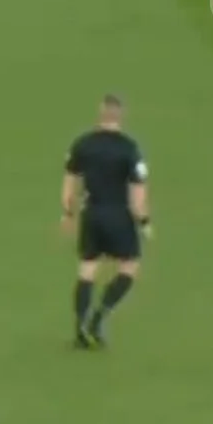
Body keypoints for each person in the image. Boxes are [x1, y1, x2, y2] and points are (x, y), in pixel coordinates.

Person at [63, 94, 147, 348]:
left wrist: (68, 214)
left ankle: (80, 327)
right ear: (121, 115)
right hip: (119, 214)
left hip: (92, 213)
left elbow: (69, 183)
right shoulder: (129, 148)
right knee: (129, 266)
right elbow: (138, 191)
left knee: (87, 268)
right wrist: (144, 220)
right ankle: (99, 317)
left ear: (101, 113)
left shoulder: (83, 144)